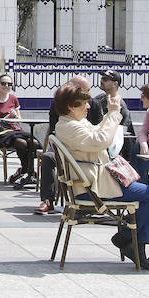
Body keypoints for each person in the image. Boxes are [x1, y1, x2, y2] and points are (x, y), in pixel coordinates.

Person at [53, 81, 149, 269]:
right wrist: (113, 114)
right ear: (70, 106)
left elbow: (96, 132)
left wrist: (111, 113)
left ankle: (128, 238)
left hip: (96, 181)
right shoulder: (70, 127)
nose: (88, 106)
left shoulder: (72, 123)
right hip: (93, 188)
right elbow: (100, 140)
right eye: (83, 103)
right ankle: (131, 241)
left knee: (147, 192)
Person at [35, 75, 94, 215]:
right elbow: (55, 128)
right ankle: (48, 200)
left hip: (86, 146)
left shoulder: (93, 104)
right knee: (48, 157)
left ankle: (92, 198)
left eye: (88, 90)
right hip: (65, 144)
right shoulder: (59, 105)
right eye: (82, 91)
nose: (87, 95)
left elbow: (97, 127)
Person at [0, 73, 40, 188]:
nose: (6, 86)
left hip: (15, 131)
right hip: (0, 134)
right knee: (21, 143)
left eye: (9, 84)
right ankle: (27, 172)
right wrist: (2, 119)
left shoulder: (13, 99)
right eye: (3, 83)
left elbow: (20, 119)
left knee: (34, 143)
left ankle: (25, 171)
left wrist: (15, 116)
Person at [95, 70, 137, 159]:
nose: (102, 81)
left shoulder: (120, 106)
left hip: (112, 150)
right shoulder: (98, 100)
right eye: (102, 78)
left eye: (105, 79)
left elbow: (123, 131)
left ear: (115, 84)